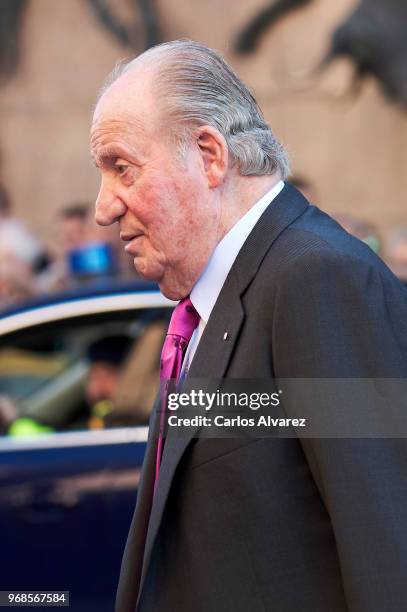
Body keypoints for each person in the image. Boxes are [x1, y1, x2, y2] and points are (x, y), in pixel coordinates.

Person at [91, 40, 407, 612]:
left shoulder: (318, 279)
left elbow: (386, 546)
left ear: (210, 155)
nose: (104, 207)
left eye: (122, 168)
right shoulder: (214, 299)